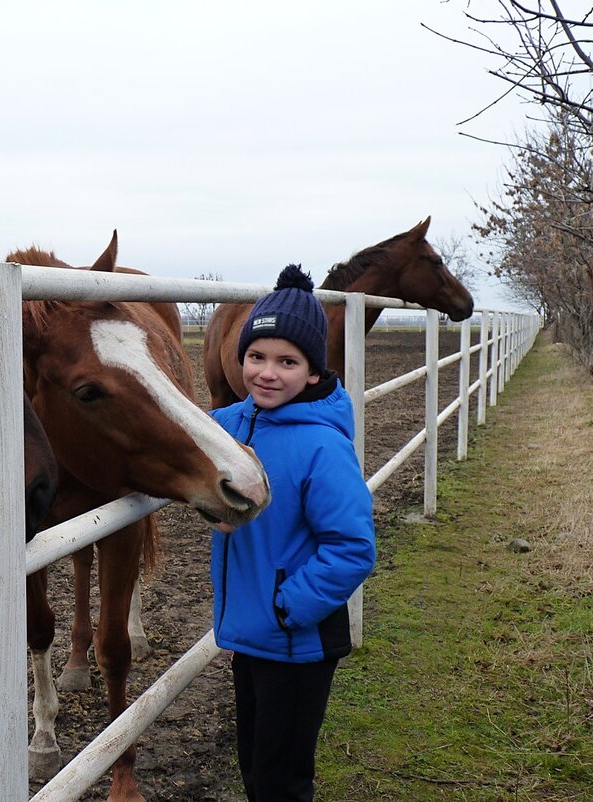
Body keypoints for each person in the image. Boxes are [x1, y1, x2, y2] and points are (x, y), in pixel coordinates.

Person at [209, 263, 376, 802]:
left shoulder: (323, 446)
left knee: (281, 779)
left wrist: (287, 607)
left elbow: (353, 548)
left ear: (313, 373)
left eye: (287, 362)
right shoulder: (231, 425)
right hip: (252, 635)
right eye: (256, 356)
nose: (267, 373)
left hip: (297, 639)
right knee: (254, 765)